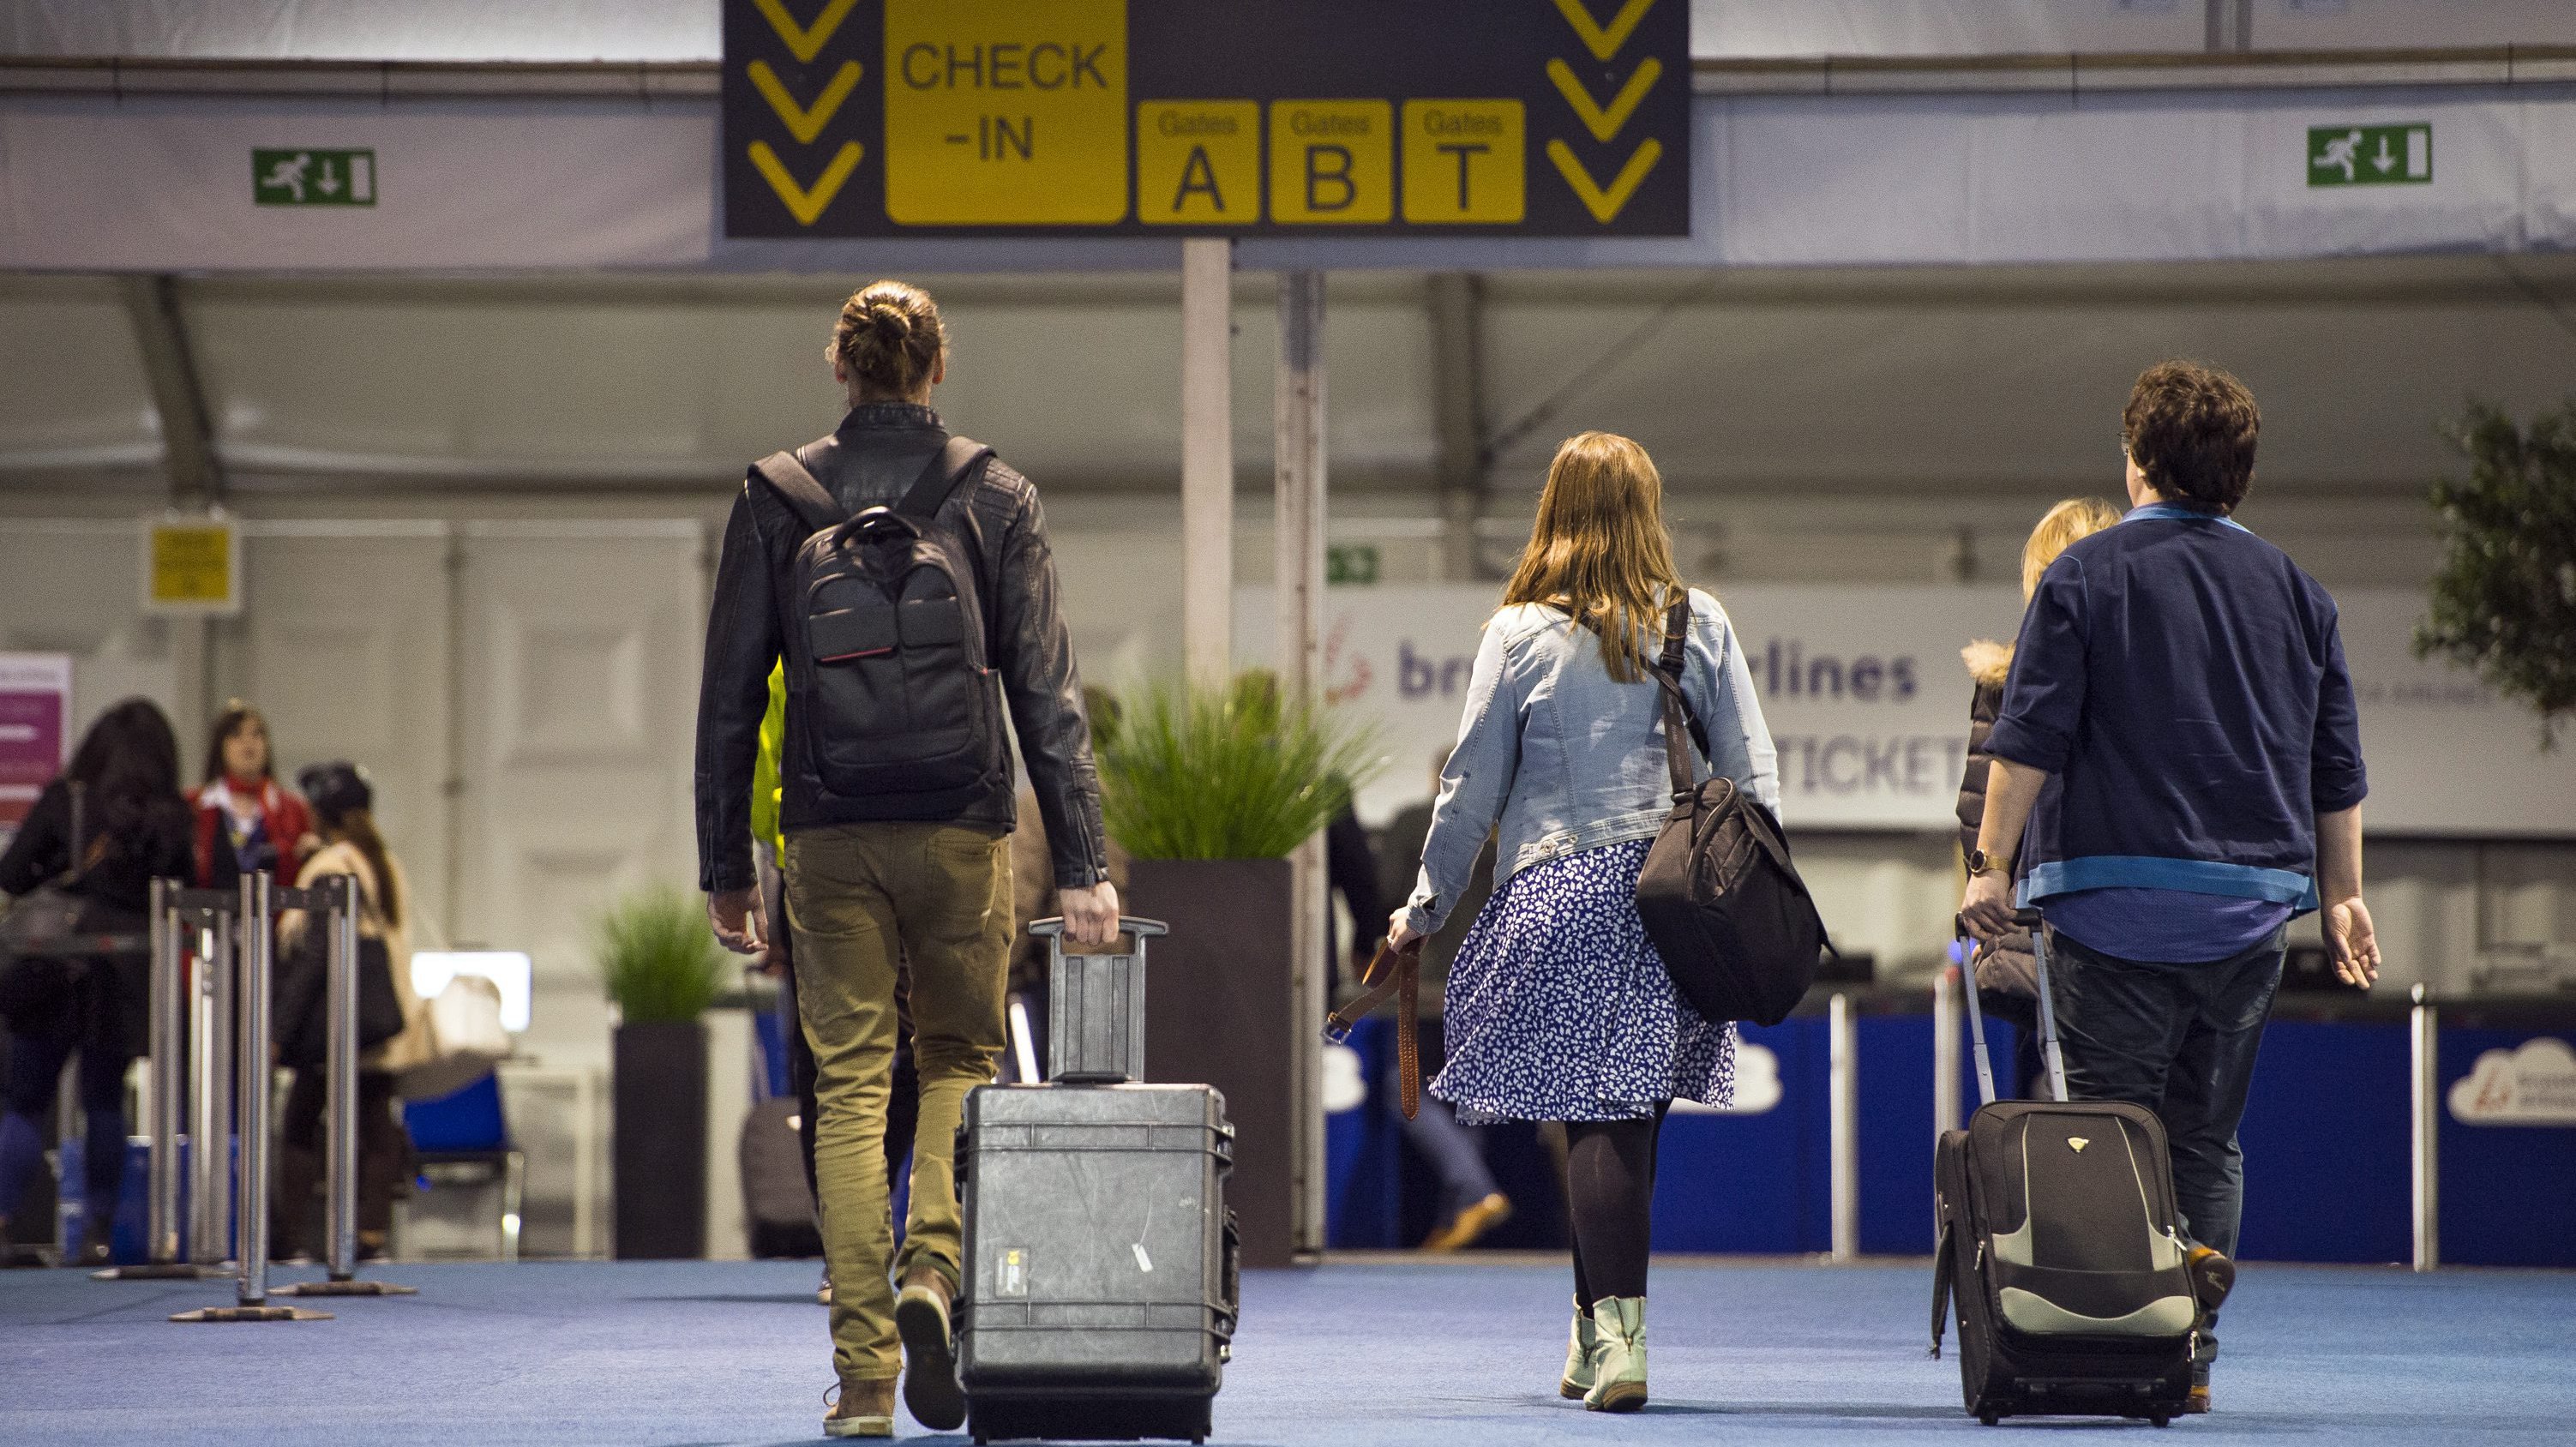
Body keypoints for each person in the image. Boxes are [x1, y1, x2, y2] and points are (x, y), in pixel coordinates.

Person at [695, 279, 1119, 1440]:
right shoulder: (994, 494)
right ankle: (936, 1271)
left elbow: (729, 699)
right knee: (957, 1060)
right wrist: (1081, 861)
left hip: (826, 833)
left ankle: (866, 1379)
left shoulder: (776, 495)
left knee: (844, 1087)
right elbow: (1046, 692)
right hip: (961, 827)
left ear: (840, 368)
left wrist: (726, 865)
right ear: (939, 369)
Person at [1959, 360, 2379, 1415]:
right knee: (2205, 1138)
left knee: (2110, 1133)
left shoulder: (2084, 575)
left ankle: (2125, 1340)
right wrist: (2343, 897)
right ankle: (2191, 1351)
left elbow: (2028, 737)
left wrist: (1988, 867)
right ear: (2236, 474)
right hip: (2249, 908)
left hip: (2107, 904)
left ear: (2137, 460)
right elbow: (2335, 768)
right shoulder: (2298, 592)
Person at [1387, 431, 1778, 1414]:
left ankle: (1621, 1343)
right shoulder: (1702, 623)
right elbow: (1755, 781)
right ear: (1649, 510)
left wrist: (1420, 908)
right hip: (1675, 901)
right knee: (1624, 1119)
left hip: (1559, 894)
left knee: (1592, 1115)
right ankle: (1587, 1328)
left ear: (1551, 511)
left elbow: (1467, 791)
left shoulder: (1517, 632)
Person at [0, 699, 210, 1265]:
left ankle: (2, 1219)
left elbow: (13, 874)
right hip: (125, 969)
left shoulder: (68, 799)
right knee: (105, 1101)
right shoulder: (169, 814)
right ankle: (98, 1232)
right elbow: (187, 887)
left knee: (24, 1100)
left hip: (54, 960)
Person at [748, 659, 916, 1306]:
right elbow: (767, 766)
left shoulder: (792, 644)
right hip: (872, 866)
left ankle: (854, 1241)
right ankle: (858, 1240)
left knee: (834, 1064)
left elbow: (766, 771)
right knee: (880, 1058)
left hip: (820, 866)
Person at [1955, 499, 2121, 1096]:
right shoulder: (2135, 685)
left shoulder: (2003, 682)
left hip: (2030, 943)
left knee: (2070, 1111)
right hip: (2114, 935)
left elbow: (1977, 816)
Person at [273, 761, 422, 1264]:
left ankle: (290, 1241)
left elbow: (316, 957)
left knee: (298, 1125)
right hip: (379, 1023)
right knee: (377, 1128)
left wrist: (279, 1030)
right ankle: (371, 1238)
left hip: (333, 1024)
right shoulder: (382, 860)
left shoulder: (329, 867)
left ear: (320, 813)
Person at [1371, 750, 1513, 1252]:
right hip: (1487, 982)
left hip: (1426, 981)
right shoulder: (1501, 837)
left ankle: (1476, 1192)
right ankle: (1459, 1214)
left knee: (1401, 1087)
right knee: (1462, 1096)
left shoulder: (1413, 823)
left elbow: (1384, 893)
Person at [190, 700, 317, 886]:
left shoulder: (294, 809)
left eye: (256, 734)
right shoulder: (196, 805)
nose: (248, 742)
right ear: (220, 746)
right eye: (236, 734)